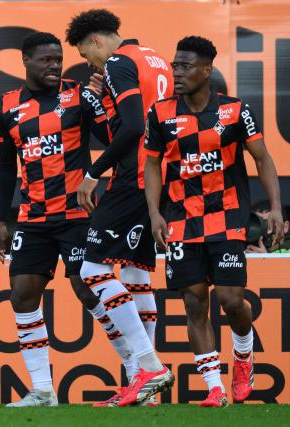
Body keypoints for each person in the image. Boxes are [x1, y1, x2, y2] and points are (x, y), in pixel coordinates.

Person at [0, 32, 141, 407]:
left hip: (78, 214)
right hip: (33, 217)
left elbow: (113, 138)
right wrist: (0, 220)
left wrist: (104, 99)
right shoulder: (7, 106)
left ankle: (137, 371)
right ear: (25, 61)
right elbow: (6, 166)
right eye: (46, 59)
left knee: (88, 290)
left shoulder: (79, 94)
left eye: (58, 58)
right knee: (22, 296)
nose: (55, 65)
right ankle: (42, 389)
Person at [144, 36, 284, 407]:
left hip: (227, 215)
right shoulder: (160, 113)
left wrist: (277, 207)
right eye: (174, 65)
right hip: (180, 218)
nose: (177, 72)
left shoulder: (235, 110)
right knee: (193, 302)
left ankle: (242, 351)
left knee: (230, 299)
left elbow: (263, 159)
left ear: (207, 70)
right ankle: (214, 389)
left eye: (185, 66)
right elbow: (153, 163)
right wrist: (155, 211)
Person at [65, 9, 174, 406]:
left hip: (133, 176)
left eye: (85, 54)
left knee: (92, 269)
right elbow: (148, 117)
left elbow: (132, 128)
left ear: (96, 41)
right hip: (160, 176)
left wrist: (94, 172)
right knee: (135, 273)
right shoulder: (155, 57)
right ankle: (143, 386)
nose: (89, 64)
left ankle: (148, 364)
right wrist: (103, 98)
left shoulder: (117, 61)